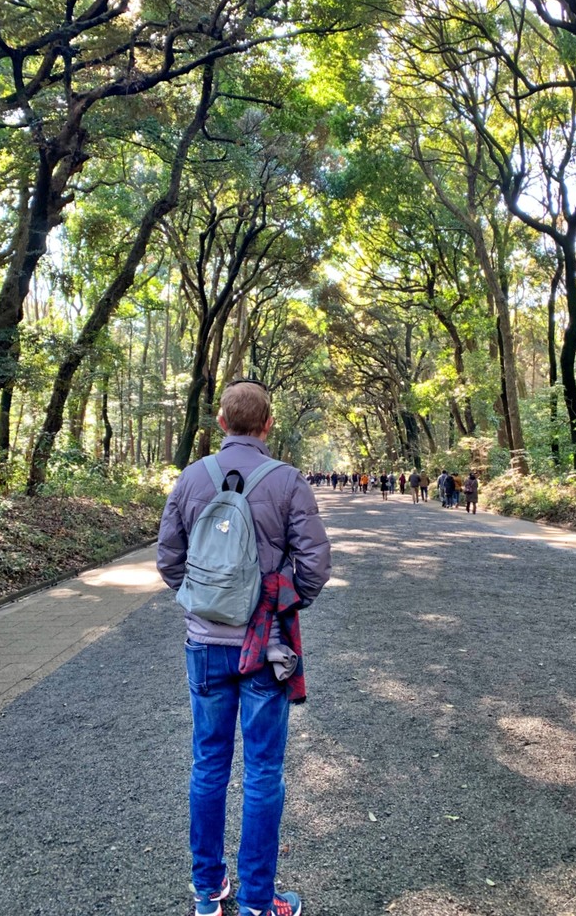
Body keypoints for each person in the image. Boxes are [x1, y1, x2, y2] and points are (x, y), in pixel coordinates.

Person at [157, 379, 331, 916]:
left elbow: (169, 561)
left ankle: (207, 892)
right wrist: (276, 604)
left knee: (208, 764)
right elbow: (316, 565)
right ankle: (258, 900)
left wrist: (206, 602)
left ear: (220, 421)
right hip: (267, 647)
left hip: (204, 644)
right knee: (263, 770)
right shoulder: (287, 482)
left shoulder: (190, 478)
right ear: (268, 424)